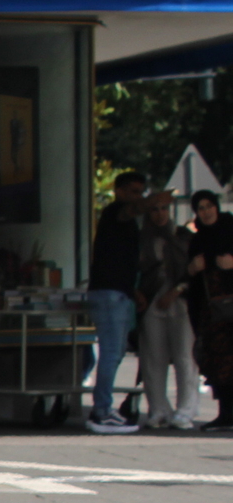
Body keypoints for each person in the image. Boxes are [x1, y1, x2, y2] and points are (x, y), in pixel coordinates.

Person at [83, 171, 147, 433]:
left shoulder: (124, 221)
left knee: (116, 351)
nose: (137, 198)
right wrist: (153, 200)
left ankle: (104, 408)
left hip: (117, 292)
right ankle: (102, 411)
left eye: (140, 192)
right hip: (110, 294)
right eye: (132, 191)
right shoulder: (114, 212)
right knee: (110, 353)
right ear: (118, 191)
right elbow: (128, 211)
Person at [137, 191, 201, 430]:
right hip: (151, 300)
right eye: (155, 209)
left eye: (164, 209)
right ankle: (158, 409)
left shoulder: (183, 237)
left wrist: (177, 291)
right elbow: (137, 270)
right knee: (153, 357)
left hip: (180, 300)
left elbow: (193, 271)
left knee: (185, 356)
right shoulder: (141, 238)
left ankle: (186, 409)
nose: (160, 214)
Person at [187, 191, 233, 432]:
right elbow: (188, 275)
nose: (206, 211)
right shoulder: (199, 239)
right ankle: (226, 413)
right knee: (217, 360)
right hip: (211, 310)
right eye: (201, 208)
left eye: (209, 206)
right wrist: (193, 269)